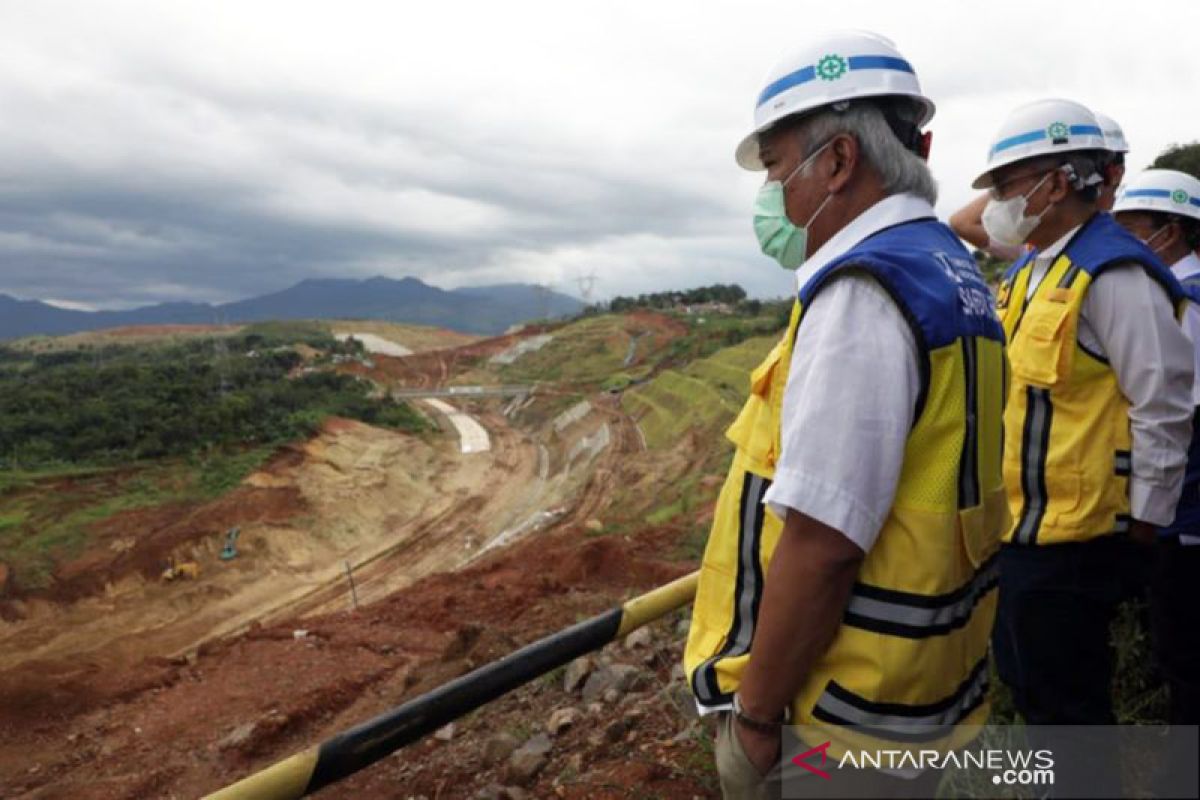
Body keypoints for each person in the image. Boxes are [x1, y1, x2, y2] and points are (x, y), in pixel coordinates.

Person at [684, 30, 1008, 799]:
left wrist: (758, 720)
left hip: (841, 719)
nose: (771, 197)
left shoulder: (864, 294)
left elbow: (824, 543)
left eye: (774, 169)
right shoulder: (948, 273)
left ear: (836, 161)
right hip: (919, 691)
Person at [981, 99, 1194, 794]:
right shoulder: (1033, 272)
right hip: (1023, 528)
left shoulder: (1116, 275)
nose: (1001, 201)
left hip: (1077, 538)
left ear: (1064, 180)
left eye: (1013, 183)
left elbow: (1162, 406)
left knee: (1068, 714)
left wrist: (1147, 519)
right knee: (1034, 691)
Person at [1113, 168, 1200, 788]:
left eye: (1132, 230)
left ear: (1168, 234)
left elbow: (1175, 418)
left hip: (1186, 519)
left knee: (1187, 662)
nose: (1123, 243)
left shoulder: (1184, 305)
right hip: (1182, 514)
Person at [950, 111, 1129, 257]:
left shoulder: (1118, 256)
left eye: (1096, 163)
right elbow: (961, 223)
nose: (1090, 174)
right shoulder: (1040, 244)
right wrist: (1013, 184)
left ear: (1116, 174)